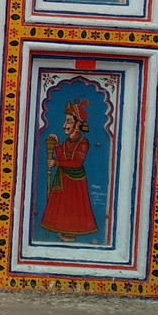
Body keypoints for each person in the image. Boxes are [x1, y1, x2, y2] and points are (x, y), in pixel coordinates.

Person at [41, 99, 99, 241]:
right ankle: (63, 230)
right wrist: (57, 145)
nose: (64, 125)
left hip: (75, 181)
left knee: (73, 207)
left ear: (77, 124)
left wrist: (56, 163)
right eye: (65, 121)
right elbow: (63, 157)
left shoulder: (83, 143)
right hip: (63, 178)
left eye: (69, 122)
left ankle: (71, 234)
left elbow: (77, 163)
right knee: (63, 207)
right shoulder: (67, 141)